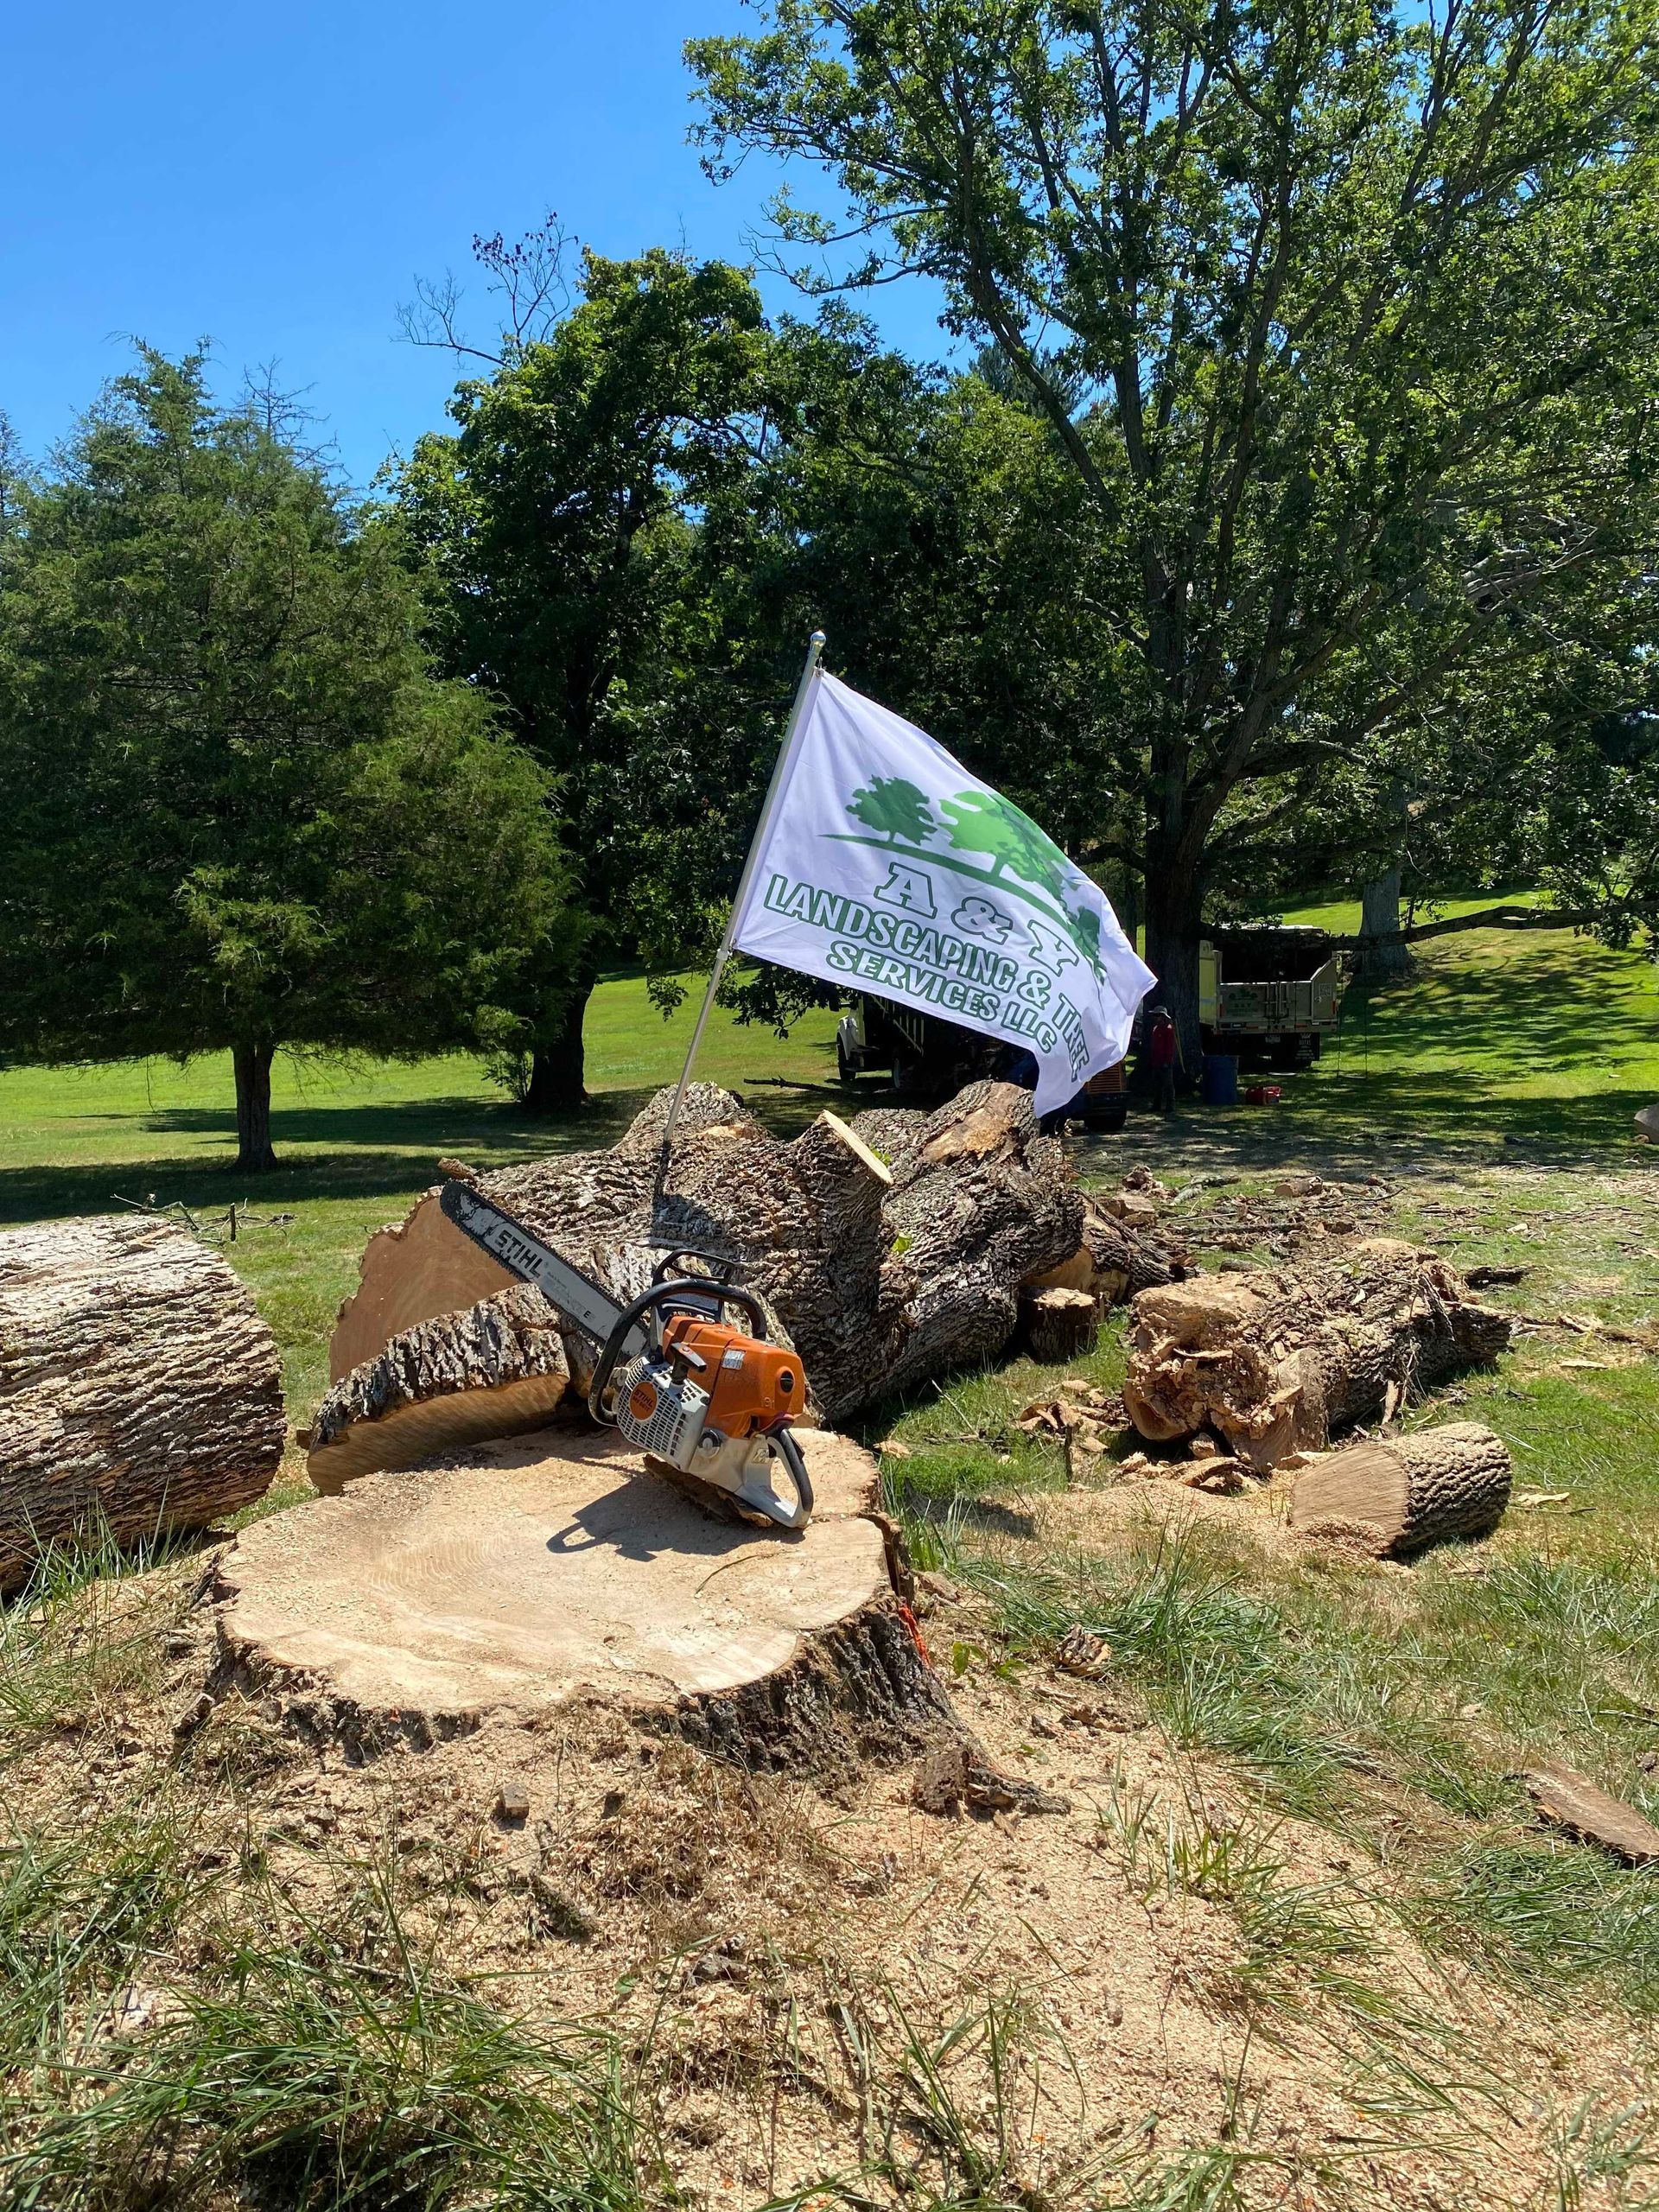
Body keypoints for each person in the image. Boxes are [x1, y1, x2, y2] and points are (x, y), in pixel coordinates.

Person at [1147, 1002, 1179, 1116]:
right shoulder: (1155, 1029)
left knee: (1168, 1085)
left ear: (1163, 1016)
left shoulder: (1168, 1029)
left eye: (1158, 1015)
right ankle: (1157, 1105)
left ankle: (1170, 1106)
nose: (1156, 1018)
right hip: (1156, 1061)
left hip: (1165, 1062)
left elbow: (1170, 1047)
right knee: (1157, 1084)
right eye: (1155, 1016)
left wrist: (1167, 1061)